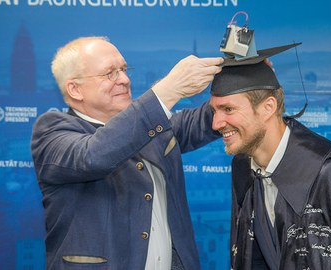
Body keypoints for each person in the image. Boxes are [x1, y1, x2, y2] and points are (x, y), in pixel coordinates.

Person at [31, 36, 223, 270]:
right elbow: (94, 155)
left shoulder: (150, 126)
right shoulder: (51, 130)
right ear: (75, 89)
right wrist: (168, 90)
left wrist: (241, 81)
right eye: (109, 73)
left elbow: (204, 120)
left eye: (123, 69)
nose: (124, 80)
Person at [209, 47, 331, 269]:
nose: (215, 124)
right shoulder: (242, 166)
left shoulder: (328, 172)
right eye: (214, 111)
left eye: (228, 109)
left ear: (268, 107)